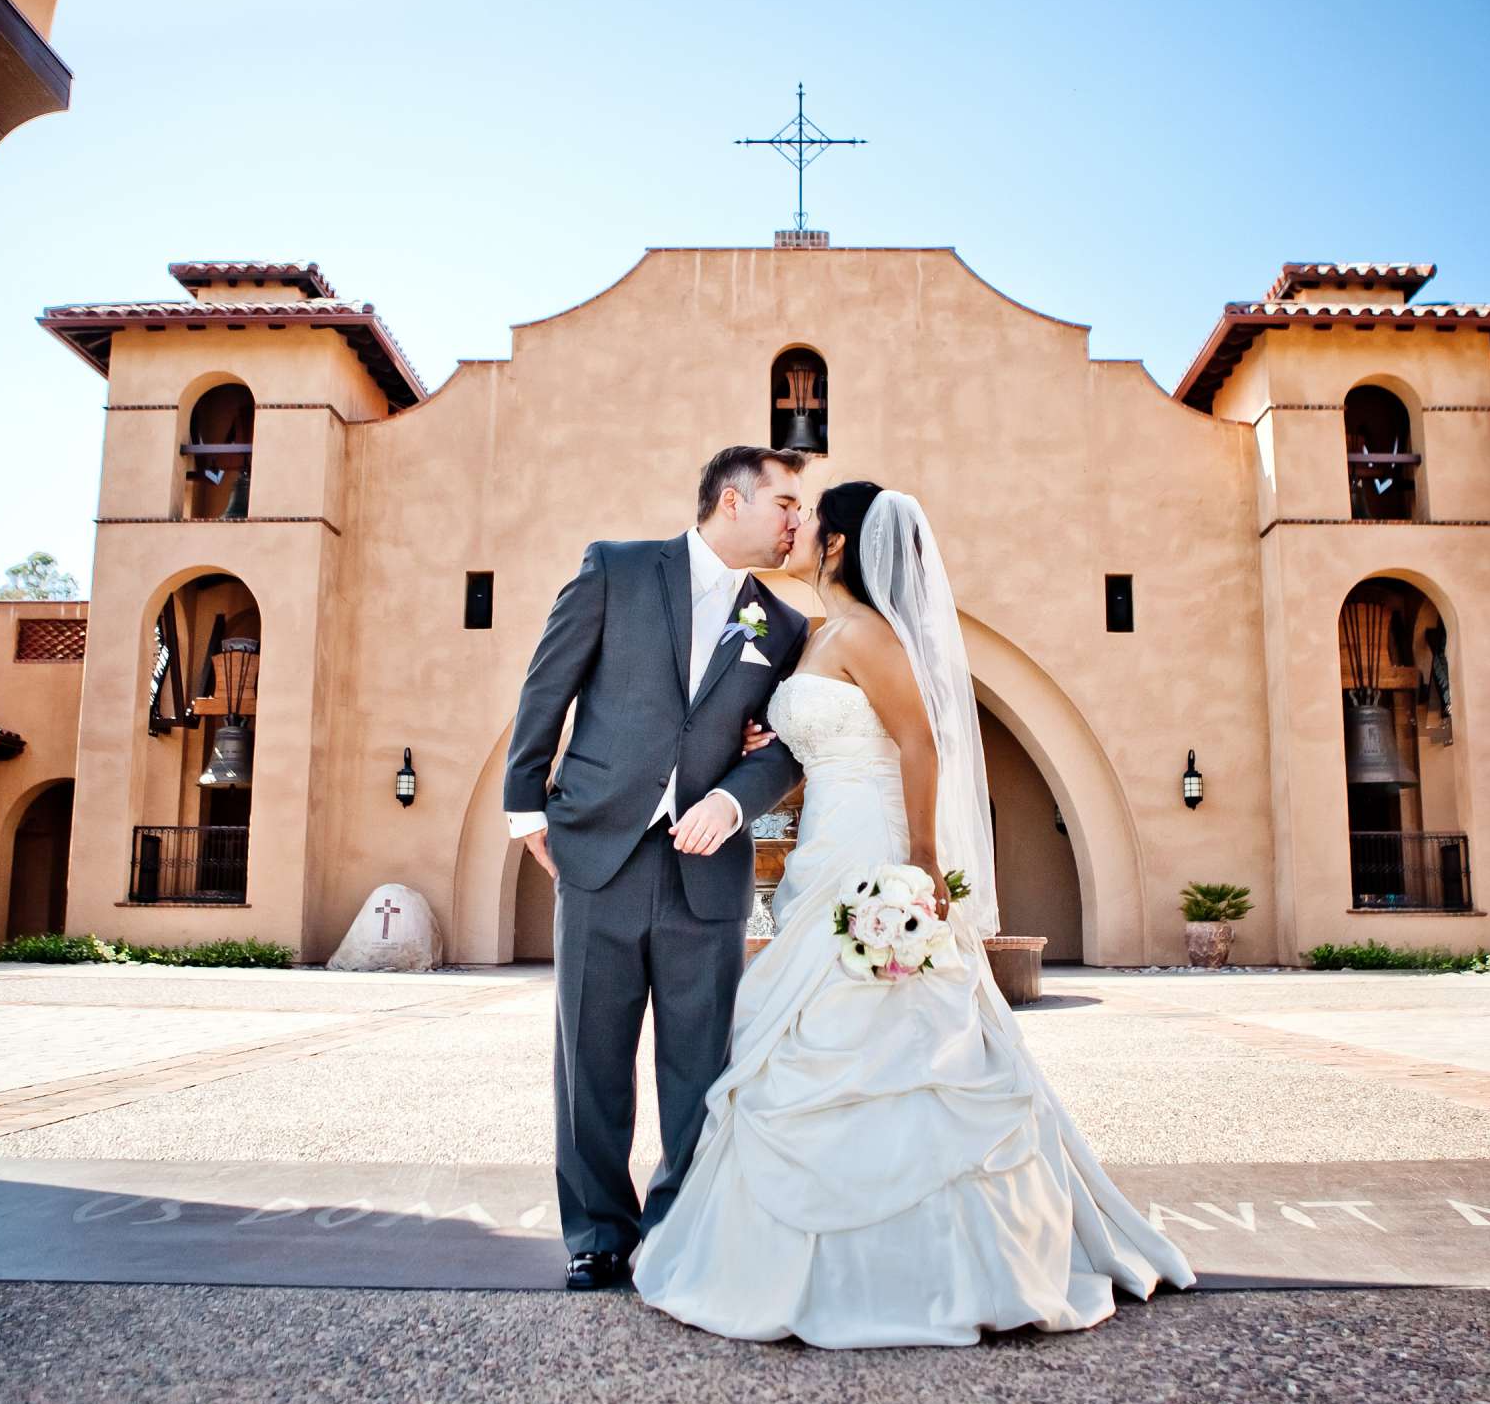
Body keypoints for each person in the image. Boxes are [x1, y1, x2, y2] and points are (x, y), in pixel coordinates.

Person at [630, 480, 1194, 1346]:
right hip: (822, 847)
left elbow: (919, 741)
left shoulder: (869, 634)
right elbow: (814, 733)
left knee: (889, 1026)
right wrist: (768, 742)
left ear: (841, 545)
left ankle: (930, 1261)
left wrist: (922, 862)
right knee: (809, 1027)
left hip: (871, 847)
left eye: (811, 519)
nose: (798, 526)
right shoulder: (819, 636)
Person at [504, 446, 810, 1291]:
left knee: (698, 1059)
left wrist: (737, 799)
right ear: (730, 499)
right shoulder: (617, 569)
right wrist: (526, 804)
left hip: (704, 870)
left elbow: (787, 744)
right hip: (598, 847)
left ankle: (680, 1226)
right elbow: (547, 686)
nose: (796, 520)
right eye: (784, 501)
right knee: (590, 1052)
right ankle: (598, 1232)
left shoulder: (782, 628)